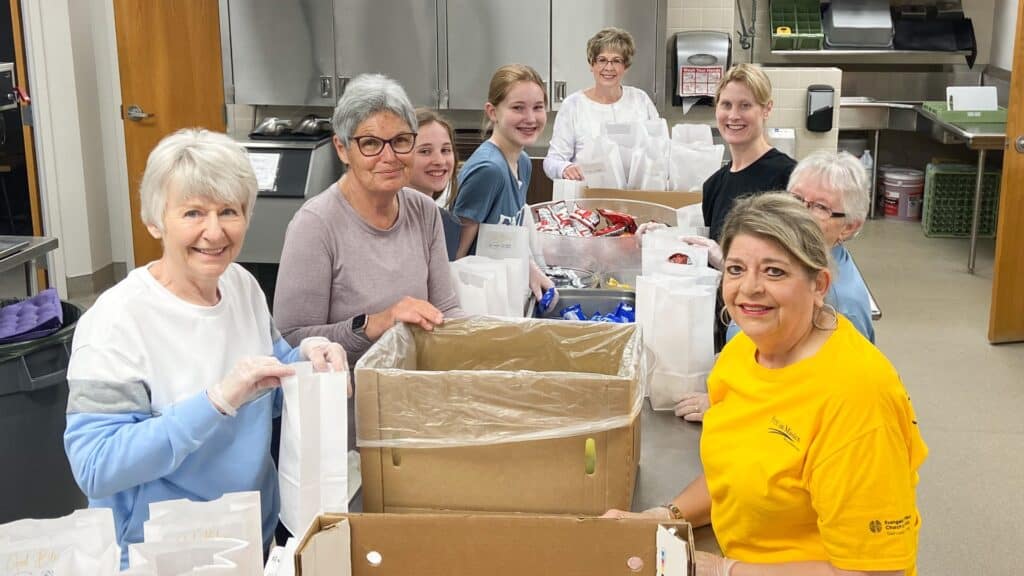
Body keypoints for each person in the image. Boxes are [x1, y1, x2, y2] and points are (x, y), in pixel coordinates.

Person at [63, 129, 348, 565]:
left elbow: (266, 374)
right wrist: (216, 401)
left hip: (248, 539)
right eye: (193, 212)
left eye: (229, 211)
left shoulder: (241, 285)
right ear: (155, 221)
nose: (214, 232)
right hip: (160, 556)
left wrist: (306, 357)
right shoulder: (116, 320)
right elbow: (97, 466)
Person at [606, 193, 927, 576]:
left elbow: (877, 572)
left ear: (819, 284)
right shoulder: (743, 351)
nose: (749, 288)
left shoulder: (857, 401)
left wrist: (723, 570)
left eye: (774, 272)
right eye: (737, 269)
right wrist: (666, 517)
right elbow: (736, 473)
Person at [274, 74, 461, 366]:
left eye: (400, 141)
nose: (389, 157)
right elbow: (291, 339)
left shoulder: (424, 211)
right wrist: (374, 324)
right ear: (342, 149)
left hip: (414, 393)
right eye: (371, 143)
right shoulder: (315, 225)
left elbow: (446, 309)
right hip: (347, 402)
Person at [676, 151, 878, 421]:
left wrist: (729, 405)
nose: (798, 213)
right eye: (795, 199)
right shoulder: (793, 259)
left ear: (849, 227)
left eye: (820, 207)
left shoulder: (843, 306)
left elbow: (815, 406)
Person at [453, 63, 555, 300]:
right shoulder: (489, 170)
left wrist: (530, 269)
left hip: (504, 289)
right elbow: (456, 254)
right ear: (492, 112)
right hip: (478, 296)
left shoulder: (523, 162)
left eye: (538, 107)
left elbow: (509, 233)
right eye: (518, 108)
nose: (530, 118)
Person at [542, 27, 659, 181]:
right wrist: (565, 168)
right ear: (592, 64)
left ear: (626, 66)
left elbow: (660, 150)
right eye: (602, 60)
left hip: (634, 196)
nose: (608, 67)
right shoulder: (573, 105)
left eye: (616, 61)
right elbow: (552, 161)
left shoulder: (640, 100)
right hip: (587, 197)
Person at [702, 64, 796, 241]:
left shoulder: (788, 177)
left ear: (766, 109)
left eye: (745, 105)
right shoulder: (713, 186)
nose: (733, 115)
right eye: (726, 105)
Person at [408, 107, 462, 260]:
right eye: (425, 151)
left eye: (445, 150)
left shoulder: (448, 224)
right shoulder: (379, 223)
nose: (439, 161)